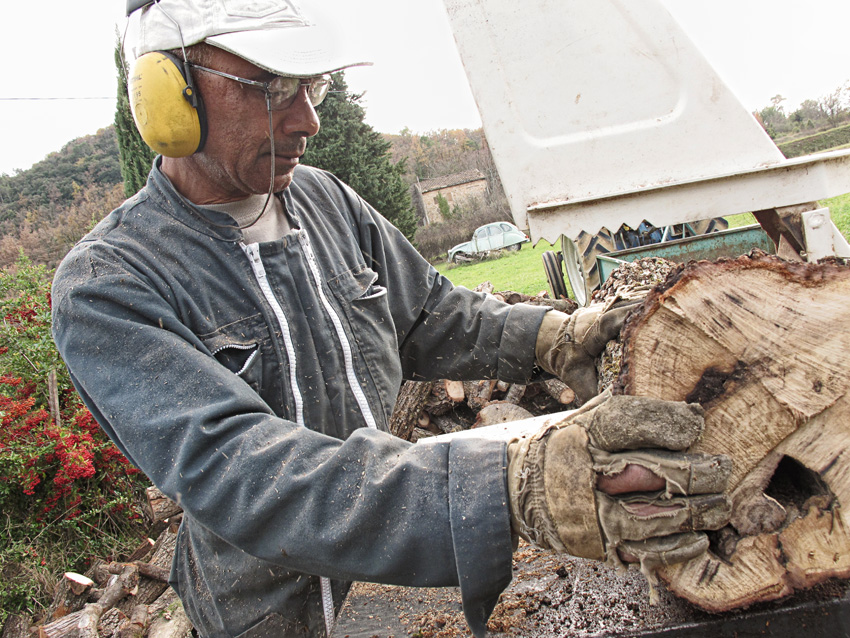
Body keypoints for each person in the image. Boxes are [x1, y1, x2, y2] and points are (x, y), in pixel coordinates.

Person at [51, 1, 732, 636]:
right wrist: (511, 488)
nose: (306, 122)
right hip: (264, 615)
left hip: (388, 583)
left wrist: (554, 337)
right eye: (271, 88)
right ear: (169, 96)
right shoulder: (109, 284)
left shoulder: (324, 202)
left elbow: (432, 314)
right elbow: (244, 472)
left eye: (310, 87)